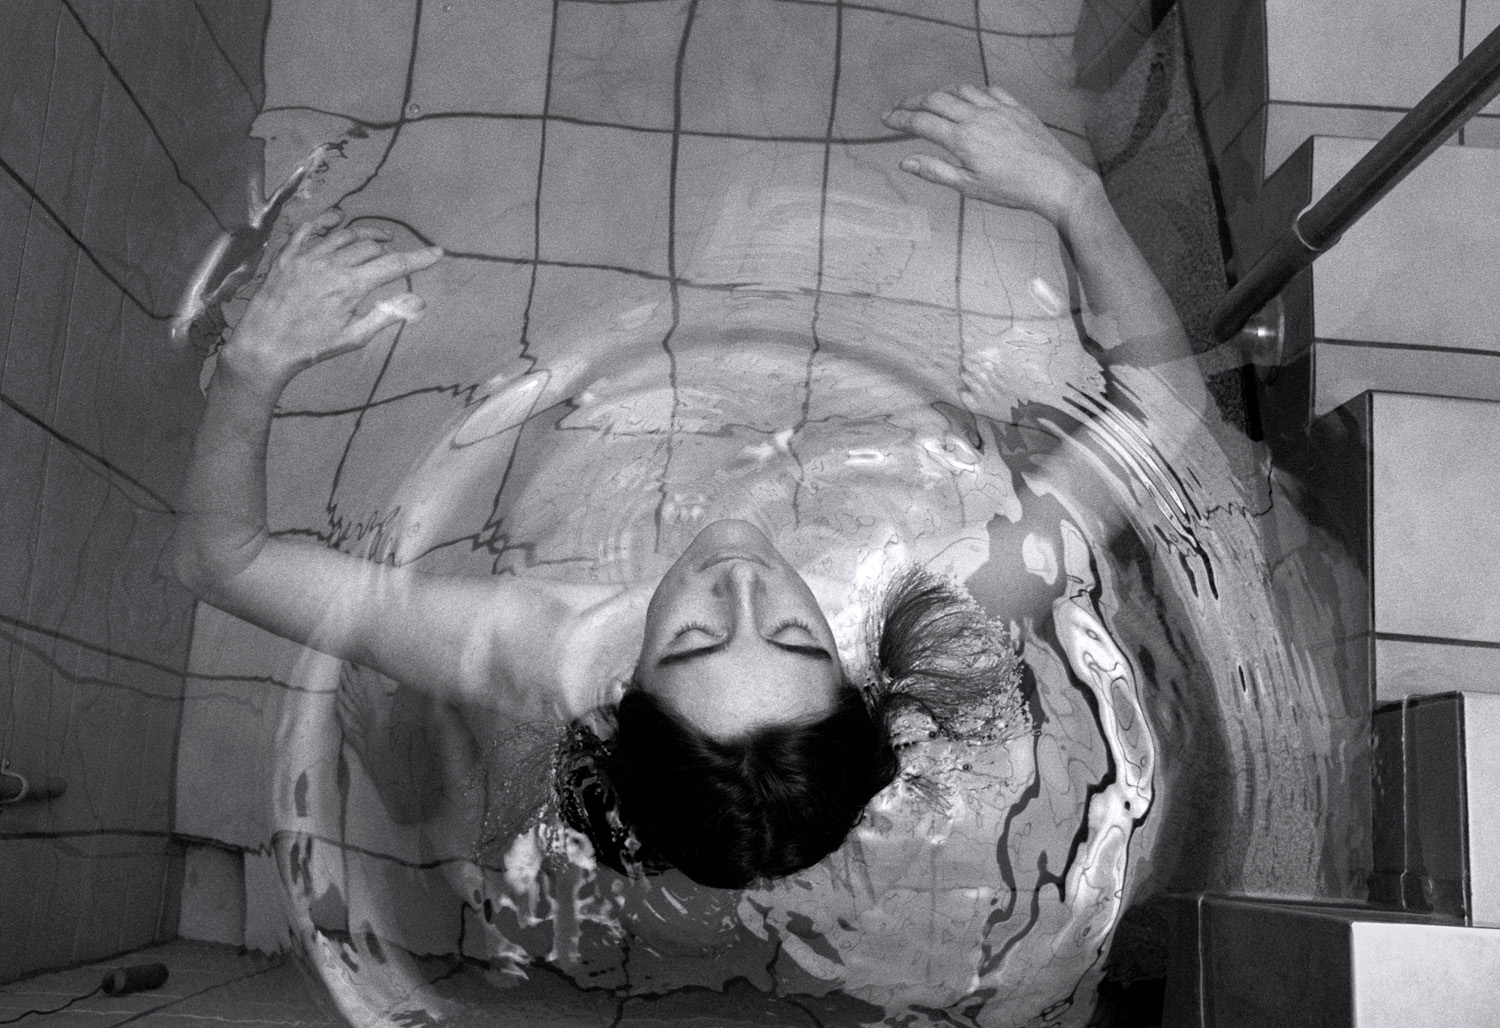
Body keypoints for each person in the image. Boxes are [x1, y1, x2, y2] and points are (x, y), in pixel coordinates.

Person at [174, 85, 1195, 890]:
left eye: (696, 638)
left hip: (580, 660)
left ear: (622, 696)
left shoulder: (542, 647)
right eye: (796, 636)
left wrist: (255, 364)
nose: (743, 581)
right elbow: (1166, 410)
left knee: (433, 745)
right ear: (857, 680)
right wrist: (1073, 195)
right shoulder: (942, 597)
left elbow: (224, 562)